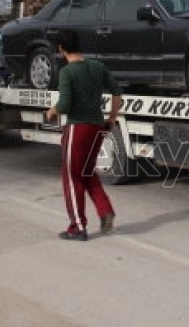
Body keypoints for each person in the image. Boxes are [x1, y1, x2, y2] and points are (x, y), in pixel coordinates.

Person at [45, 29, 122, 241]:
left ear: (61, 49)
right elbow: (117, 92)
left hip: (77, 129)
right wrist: (112, 117)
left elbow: (66, 104)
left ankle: (78, 227)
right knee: (87, 173)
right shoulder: (98, 67)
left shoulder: (67, 72)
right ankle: (105, 210)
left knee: (71, 178)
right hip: (98, 126)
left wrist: (52, 110)